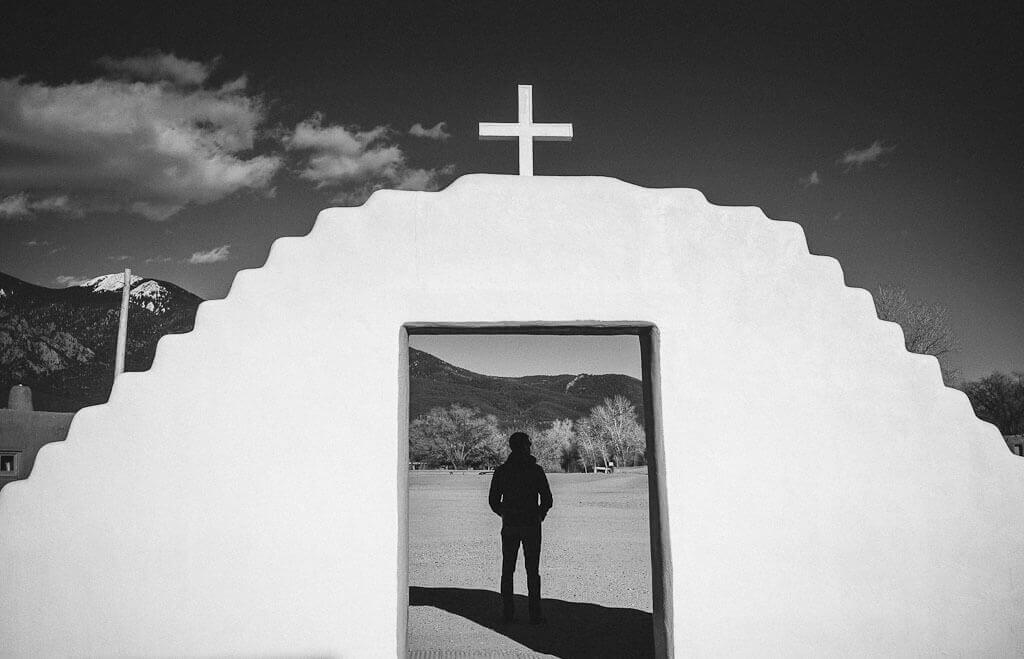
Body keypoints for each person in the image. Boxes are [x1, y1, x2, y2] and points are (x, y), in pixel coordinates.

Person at [488, 431, 553, 624]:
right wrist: (539, 515)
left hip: (510, 525)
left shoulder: (502, 471)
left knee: (507, 569)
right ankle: (535, 613)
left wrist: (505, 513)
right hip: (531, 525)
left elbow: (493, 501)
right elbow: (547, 499)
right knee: (532, 570)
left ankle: (508, 612)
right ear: (526, 446)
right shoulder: (535, 470)